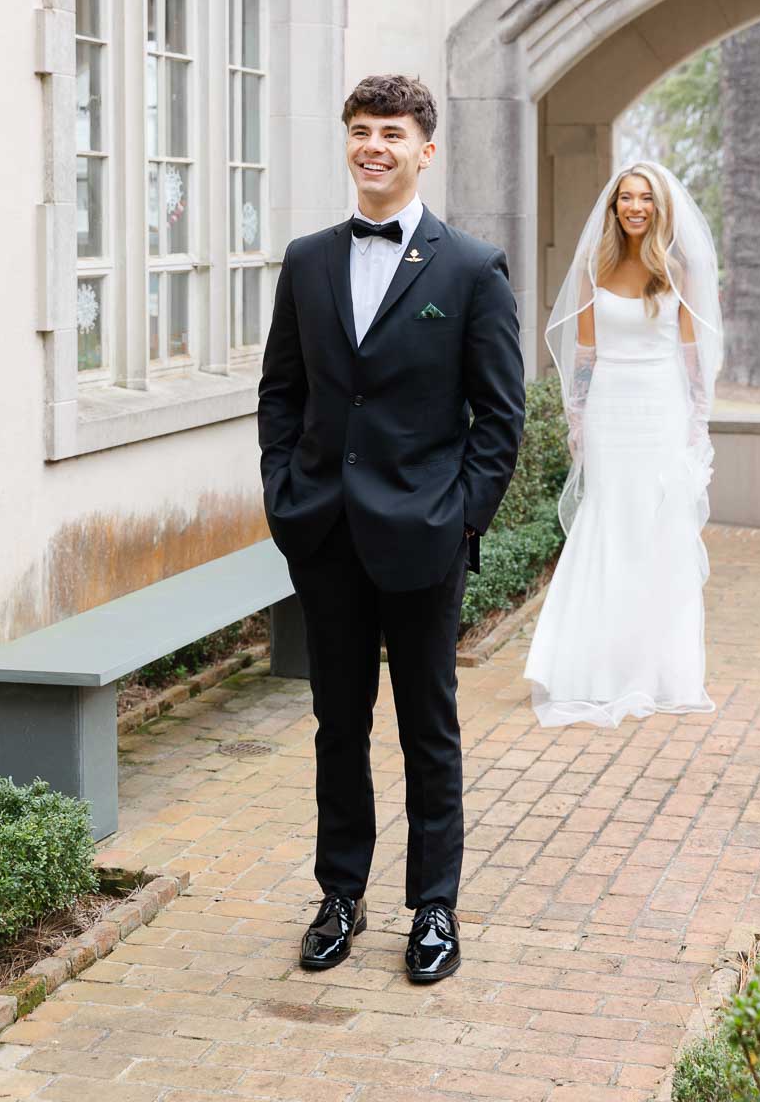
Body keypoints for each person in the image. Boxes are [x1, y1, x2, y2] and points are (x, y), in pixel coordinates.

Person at [258, 74, 525, 985]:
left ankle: (434, 907)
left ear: (425, 149)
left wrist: (461, 522)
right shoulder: (306, 260)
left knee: (428, 728)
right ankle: (340, 894)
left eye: (392, 133)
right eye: (360, 131)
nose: (373, 146)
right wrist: (284, 497)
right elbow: (281, 394)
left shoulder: (470, 268)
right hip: (325, 532)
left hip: (424, 535)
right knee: (339, 723)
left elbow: (499, 418)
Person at [524, 162, 722, 728]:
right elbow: (584, 354)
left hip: (661, 410)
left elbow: (692, 358)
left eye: (645, 200)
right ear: (614, 209)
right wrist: (577, 418)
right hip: (610, 411)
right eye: (625, 199)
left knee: (655, 528)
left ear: (660, 209)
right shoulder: (594, 268)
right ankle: (591, 669)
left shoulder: (677, 271)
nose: (635, 208)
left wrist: (698, 423)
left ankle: (655, 669)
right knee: (607, 522)